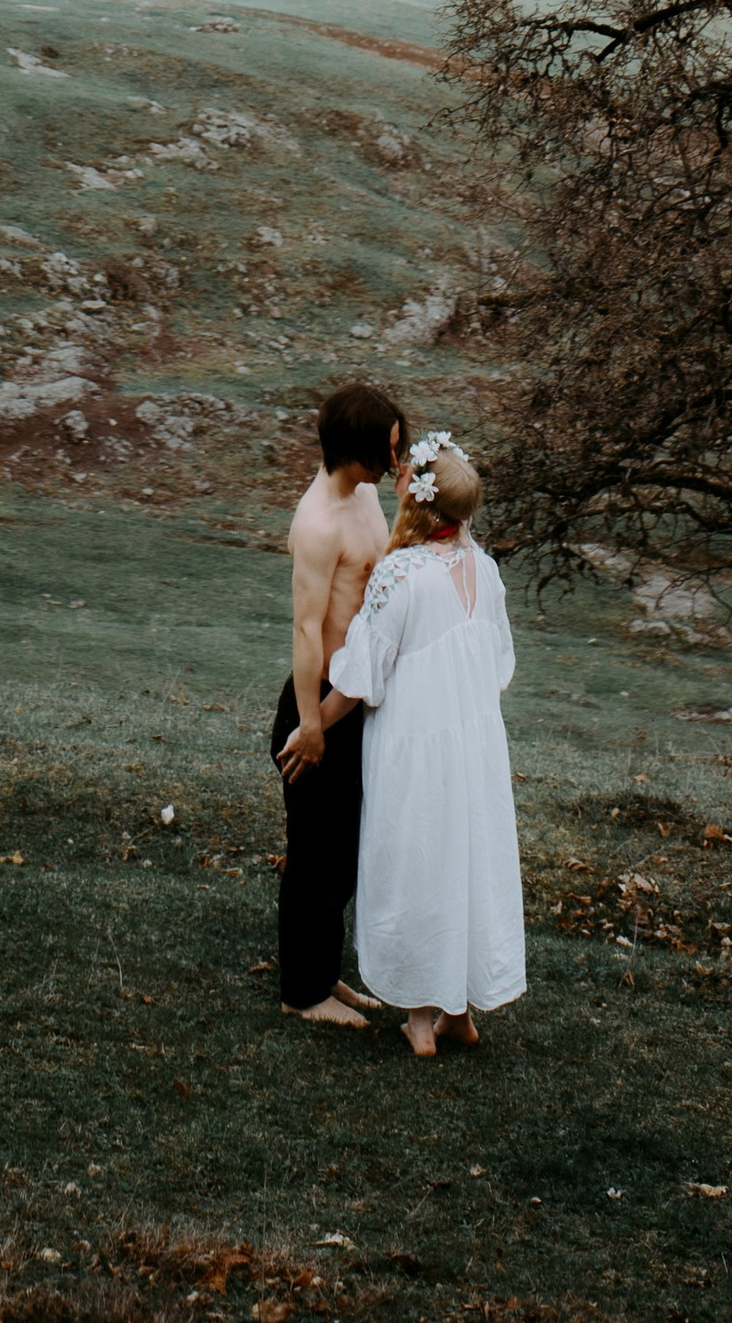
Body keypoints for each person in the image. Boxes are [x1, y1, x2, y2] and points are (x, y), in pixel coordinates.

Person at [325, 431, 526, 1057]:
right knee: (464, 858)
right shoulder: (485, 571)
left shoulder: (399, 573)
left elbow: (366, 674)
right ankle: (458, 1012)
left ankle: (418, 1017)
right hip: (474, 744)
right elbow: (498, 665)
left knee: (415, 855)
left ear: (417, 501)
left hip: (414, 743)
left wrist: (315, 722)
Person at [271, 379, 406, 1026]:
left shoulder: (367, 494)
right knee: (315, 852)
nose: (395, 453)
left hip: (353, 701)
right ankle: (304, 992)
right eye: (388, 444)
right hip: (317, 706)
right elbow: (304, 628)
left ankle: (324, 972)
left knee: (345, 846)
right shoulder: (319, 522)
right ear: (358, 447)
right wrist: (310, 723)